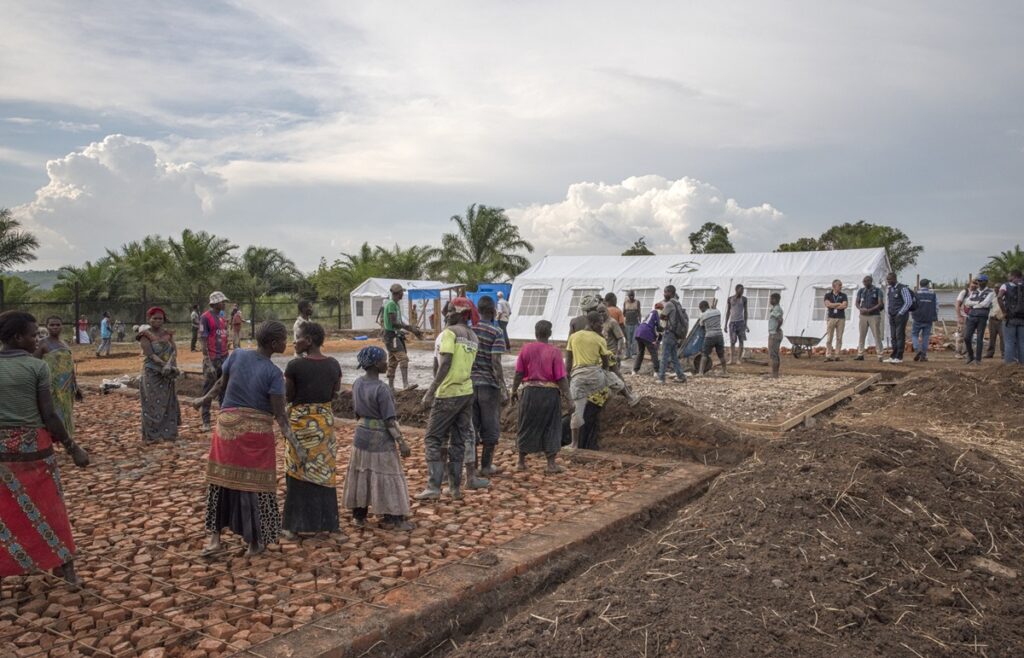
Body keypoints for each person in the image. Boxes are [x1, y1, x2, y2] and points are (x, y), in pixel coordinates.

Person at [194, 321, 299, 556]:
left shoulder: (238, 355)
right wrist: (297, 446)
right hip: (254, 436)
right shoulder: (274, 374)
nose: (286, 342)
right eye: (284, 339)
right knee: (256, 487)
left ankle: (214, 540)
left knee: (219, 483)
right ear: (274, 344)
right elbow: (281, 417)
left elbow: (221, 384)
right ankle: (254, 543)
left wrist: (203, 400)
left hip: (226, 430)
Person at [0, 311, 90, 585]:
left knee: (5, 513)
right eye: (32, 335)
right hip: (34, 452)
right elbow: (50, 416)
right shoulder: (37, 367)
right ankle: (66, 568)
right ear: (17, 337)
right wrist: (72, 447)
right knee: (51, 510)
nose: (36, 340)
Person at [344, 346, 414, 530]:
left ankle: (359, 516)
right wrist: (402, 443)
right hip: (380, 438)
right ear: (376, 364)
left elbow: (356, 412)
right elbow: (390, 421)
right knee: (387, 474)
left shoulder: (357, 383)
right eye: (384, 360)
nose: (387, 363)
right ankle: (393, 517)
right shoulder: (382, 389)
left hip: (361, 435)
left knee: (362, 472)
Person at [283, 322, 343, 537]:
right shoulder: (334, 364)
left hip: (300, 425)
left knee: (297, 471)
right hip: (324, 426)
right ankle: (329, 524)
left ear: (308, 340)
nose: (294, 341)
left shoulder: (294, 366)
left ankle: (293, 527)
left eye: (297, 337)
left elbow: (288, 396)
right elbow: (335, 392)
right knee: (325, 472)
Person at [417, 299, 479, 500]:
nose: (446, 315)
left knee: (432, 438)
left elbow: (444, 364)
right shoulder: (472, 336)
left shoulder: (449, 333)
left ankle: (433, 487)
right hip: (466, 392)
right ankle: (455, 489)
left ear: (461, 314)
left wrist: (430, 391)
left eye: (451, 311)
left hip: (447, 393)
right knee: (459, 441)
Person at [565, 311, 635, 449]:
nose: (602, 326)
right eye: (600, 323)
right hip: (597, 385)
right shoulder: (601, 341)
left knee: (577, 412)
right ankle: (630, 397)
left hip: (578, 378)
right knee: (613, 378)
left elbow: (568, 363)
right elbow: (607, 365)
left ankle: (574, 443)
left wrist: (568, 383)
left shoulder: (573, 337)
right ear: (591, 323)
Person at [510, 320, 570, 472]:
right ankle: (551, 464)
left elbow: (519, 373)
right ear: (549, 334)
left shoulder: (525, 349)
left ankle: (521, 461)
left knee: (526, 424)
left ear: (535, 333)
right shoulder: (555, 352)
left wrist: (514, 390)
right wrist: (569, 398)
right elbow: (561, 378)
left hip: (530, 393)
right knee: (552, 426)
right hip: (550, 394)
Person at [470, 296, 508, 480]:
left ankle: (473, 466)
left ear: (478, 311)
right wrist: (503, 387)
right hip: (488, 386)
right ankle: (486, 466)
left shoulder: (470, 331)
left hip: (469, 385)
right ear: (493, 312)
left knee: (472, 426)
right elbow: (496, 362)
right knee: (490, 426)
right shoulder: (496, 331)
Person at [34, 316, 83, 438]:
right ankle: (50, 439)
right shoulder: (42, 344)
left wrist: (76, 386)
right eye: (52, 325)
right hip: (51, 386)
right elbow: (34, 364)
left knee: (66, 412)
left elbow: (70, 367)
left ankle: (65, 439)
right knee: (51, 412)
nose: (55, 327)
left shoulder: (65, 344)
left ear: (62, 326)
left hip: (66, 388)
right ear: (47, 326)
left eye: (57, 325)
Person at [138, 307, 181, 443]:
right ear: (149, 319)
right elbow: (150, 354)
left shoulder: (168, 334)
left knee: (167, 403)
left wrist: (171, 364)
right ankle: (152, 436)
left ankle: (167, 434)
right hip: (153, 373)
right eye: (154, 318)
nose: (157, 321)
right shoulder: (145, 336)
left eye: (160, 318)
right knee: (152, 403)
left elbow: (174, 350)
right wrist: (164, 365)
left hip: (167, 375)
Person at [199, 291, 231, 432]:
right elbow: (203, 340)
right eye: (222, 302)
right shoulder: (205, 318)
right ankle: (206, 420)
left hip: (224, 357)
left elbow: (223, 337)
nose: (224, 304)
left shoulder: (222, 318)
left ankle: (223, 417)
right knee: (208, 389)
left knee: (223, 388)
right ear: (215, 303)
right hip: (212, 359)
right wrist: (207, 361)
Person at [383, 284, 423, 391]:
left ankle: (391, 387)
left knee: (392, 361)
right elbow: (394, 323)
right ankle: (405, 385)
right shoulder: (391, 304)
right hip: (392, 336)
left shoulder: (395, 304)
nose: (403, 294)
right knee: (403, 358)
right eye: (401, 292)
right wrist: (410, 328)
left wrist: (408, 328)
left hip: (393, 335)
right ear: (398, 293)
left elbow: (398, 322)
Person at [657, 285, 689, 384]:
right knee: (674, 356)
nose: (664, 294)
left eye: (665, 292)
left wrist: (664, 317)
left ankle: (661, 378)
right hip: (676, 334)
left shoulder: (669, 304)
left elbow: (662, 316)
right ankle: (681, 376)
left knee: (664, 356)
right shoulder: (677, 303)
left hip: (669, 332)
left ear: (670, 292)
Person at [962, 275, 995, 366]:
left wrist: (974, 304)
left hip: (982, 317)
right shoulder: (974, 292)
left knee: (979, 338)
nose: (979, 283)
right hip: (972, 316)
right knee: (967, 337)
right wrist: (977, 303)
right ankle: (971, 355)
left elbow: (985, 304)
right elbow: (967, 303)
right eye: (978, 281)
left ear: (986, 282)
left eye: (981, 281)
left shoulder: (990, 292)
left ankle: (978, 359)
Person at [854, 275, 885, 361]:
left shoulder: (878, 291)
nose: (865, 283)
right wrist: (860, 309)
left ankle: (880, 355)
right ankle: (860, 354)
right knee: (862, 335)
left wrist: (870, 310)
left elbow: (880, 303)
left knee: (877, 335)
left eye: (867, 281)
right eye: (864, 281)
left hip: (874, 315)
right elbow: (857, 302)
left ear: (871, 281)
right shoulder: (861, 291)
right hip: (863, 316)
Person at [884, 272, 913, 364]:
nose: (888, 281)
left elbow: (908, 302)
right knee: (893, 336)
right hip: (892, 315)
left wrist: (900, 313)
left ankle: (899, 356)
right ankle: (893, 355)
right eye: (887, 279)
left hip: (900, 316)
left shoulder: (902, 288)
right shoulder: (890, 289)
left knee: (899, 336)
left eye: (889, 279)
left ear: (894, 278)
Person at [998, 269, 1024, 364]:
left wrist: (1004, 312)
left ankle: (1009, 366)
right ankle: (1022, 366)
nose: (1008, 277)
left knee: (1009, 342)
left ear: (1013, 276)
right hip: (1022, 319)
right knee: (1022, 343)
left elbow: (999, 297)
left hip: (1010, 318)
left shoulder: (1006, 285)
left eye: (1009, 276)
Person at [696, 301, 728, 376]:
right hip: (719, 335)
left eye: (701, 309)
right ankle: (725, 372)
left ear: (703, 307)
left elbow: (701, 325)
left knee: (704, 354)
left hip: (709, 336)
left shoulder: (703, 315)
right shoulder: (717, 311)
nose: (701, 310)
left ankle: (700, 372)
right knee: (721, 355)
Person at [911, 279, 938, 362]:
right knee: (925, 336)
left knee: (914, 334)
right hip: (928, 319)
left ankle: (917, 349)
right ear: (927, 285)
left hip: (917, 318)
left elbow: (912, 305)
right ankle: (923, 354)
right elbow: (937, 307)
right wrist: (934, 316)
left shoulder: (915, 294)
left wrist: (913, 314)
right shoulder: (933, 294)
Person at [632, 302, 662, 376]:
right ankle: (656, 371)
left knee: (641, 352)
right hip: (646, 333)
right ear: (661, 309)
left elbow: (651, 326)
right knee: (653, 352)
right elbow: (658, 327)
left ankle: (635, 370)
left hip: (639, 332)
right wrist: (659, 335)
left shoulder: (650, 314)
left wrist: (655, 337)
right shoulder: (657, 313)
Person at [823, 280, 848, 362]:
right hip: (831, 318)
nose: (841, 287)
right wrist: (838, 304)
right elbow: (827, 304)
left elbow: (844, 305)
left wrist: (833, 305)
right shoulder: (828, 295)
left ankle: (837, 355)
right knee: (829, 337)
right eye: (839, 285)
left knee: (839, 337)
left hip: (841, 318)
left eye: (841, 285)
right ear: (834, 286)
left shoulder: (843, 295)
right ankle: (828, 355)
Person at [725, 285, 748, 364]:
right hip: (732, 322)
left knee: (741, 341)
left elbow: (745, 312)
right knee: (732, 341)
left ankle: (738, 359)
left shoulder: (744, 299)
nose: (742, 291)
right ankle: (731, 359)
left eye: (743, 290)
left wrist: (746, 323)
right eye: (741, 290)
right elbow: (728, 311)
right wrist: (725, 324)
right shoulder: (730, 299)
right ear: (736, 290)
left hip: (741, 322)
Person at [955, 282, 976, 357]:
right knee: (961, 335)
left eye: (976, 283)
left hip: (973, 317)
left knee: (970, 336)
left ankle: (967, 352)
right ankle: (958, 352)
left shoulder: (977, 293)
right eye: (973, 283)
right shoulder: (964, 292)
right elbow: (957, 304)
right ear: (969, 285)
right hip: (964, 317)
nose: (975, 285)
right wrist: (959, 317)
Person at [767, 293, 784, 378]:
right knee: (775, 354)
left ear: (775, 300)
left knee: (773, 354)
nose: (770, 300)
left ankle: (774, 374)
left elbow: (780, 320)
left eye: (771, 299)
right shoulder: (775, 308)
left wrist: (777, 328)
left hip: (774, 334)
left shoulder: (776, 309)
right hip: (775, 333)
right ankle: (775, 373)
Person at [985, 292, 1005, 360]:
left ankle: (1004, 353)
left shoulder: (1005, 298)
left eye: (998, 288)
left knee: (1002, 337)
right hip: (992, 319)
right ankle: (990, 353)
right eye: (995, 288)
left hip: (1001, 319)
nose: (996, 289)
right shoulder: (991, 297)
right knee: (992, 337)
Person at [622, 290, 641, 359]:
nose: (631, 297)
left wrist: (640, 322)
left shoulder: (637, 302)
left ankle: (633, 353)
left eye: (633, 295)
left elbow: (639, 312)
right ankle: (627, 354)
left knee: (634, 339)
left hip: (635, 323)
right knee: (628, 339)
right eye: (630, 295)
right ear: (628, 296)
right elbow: (623, 313)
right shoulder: (625, 302)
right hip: (627, 323)